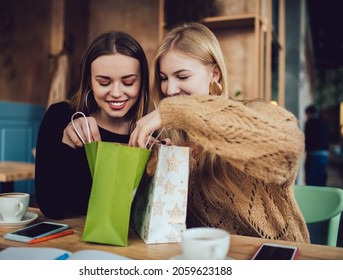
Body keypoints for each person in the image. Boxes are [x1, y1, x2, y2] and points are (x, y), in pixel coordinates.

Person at [129, 22, 309, 243]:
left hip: (276, 257)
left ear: (214, 73)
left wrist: (178, 111)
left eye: (182, 76)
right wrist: (156, 162)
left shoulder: (254, 112)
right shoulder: (176, 140)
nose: (169, 89)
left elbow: (287, 150)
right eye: (164, 78)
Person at [35, 31, 149, 219]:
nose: (116, 93)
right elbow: (51, 207)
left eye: (128, 82)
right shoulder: (60, 116)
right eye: (104, 82)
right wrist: (68, 144)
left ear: (141, 81)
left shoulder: (151, 131)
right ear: (89, 81)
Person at [304, 105, 330, 186]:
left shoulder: (310, 122)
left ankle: (310, 197)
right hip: (324, 155)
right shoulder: (324, 121)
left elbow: (307, 138)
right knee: (320, 180)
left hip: (313, 155)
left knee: (311, 180)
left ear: (309, 113)